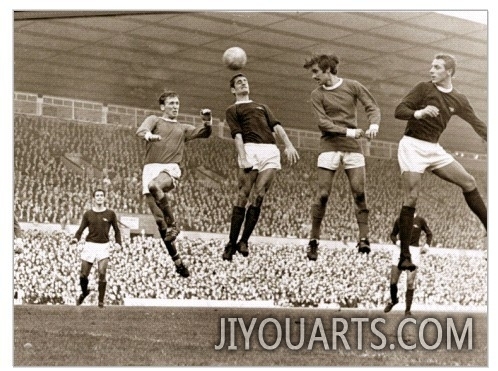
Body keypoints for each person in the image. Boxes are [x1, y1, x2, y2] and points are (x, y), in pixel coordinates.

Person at [394, 53, 487, 272]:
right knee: (412, 197)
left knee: (469, 181)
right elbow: (399, 111)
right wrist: (420, 112)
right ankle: (404, 256)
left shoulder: (459, 99)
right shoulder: (423, 89)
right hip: (412, 145)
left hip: (433, 148)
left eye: (436, 67)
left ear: (449, 72)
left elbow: (476, 122)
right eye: (431, 66)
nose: (431, 70)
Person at [302, 54, 381, 260]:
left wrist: (373, 125)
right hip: (329, 145)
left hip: (353, 148)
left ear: (327, 70)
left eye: (316, 72)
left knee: (359, 194)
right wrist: (349, 132)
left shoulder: (352, 86)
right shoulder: (316, 94)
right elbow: (323, 123)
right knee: (323, 195)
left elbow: (371, 106)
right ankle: (313, 241)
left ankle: (364, 239)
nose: (313, 76)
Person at [222, 73, 300, 261]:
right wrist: (243, 157)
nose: (243, 84)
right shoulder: (232, 110)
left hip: (270, 150)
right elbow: (237, 136)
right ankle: (231, 243)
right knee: (243, 195)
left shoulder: (262, 107)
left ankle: (244, 241)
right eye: (239, 83)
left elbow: (277, 126)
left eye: (245, 81)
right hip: (249, 149)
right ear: (233, 90)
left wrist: (288, 144)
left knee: (259, 195)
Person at [136, 90, 212, 277]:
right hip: (149, 169)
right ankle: (177, 261)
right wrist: (149, 136)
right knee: (160, 223)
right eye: (171, 103)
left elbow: (205, 133)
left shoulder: (183, 128)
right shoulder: (155, 120)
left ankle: (174, 224)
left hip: (170, 168)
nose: (175, 106)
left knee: (155, 186)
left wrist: (207, 121)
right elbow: (141, 130)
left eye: (177, 103)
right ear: (163, 106)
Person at [71, 189, 122, 308]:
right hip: (89, 245)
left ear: (104, 198)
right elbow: (80, 230)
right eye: (97, 195)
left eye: (101, 195)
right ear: (94, 198)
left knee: (102, 272)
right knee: (83, 275)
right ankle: (84, 293)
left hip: (104, 246)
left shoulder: (110, 214)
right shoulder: (88, 214)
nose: (99, 197)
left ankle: (100, 301)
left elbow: (117, 230)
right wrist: (75, 239)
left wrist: (118, 243)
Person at [384, 212, 432, 315]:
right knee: (393, 281)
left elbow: (429, 233)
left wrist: (427, 246)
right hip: (400, 249)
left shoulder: (420, 220)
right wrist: (397, 242)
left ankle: (407, 310)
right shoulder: (400, 219)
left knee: (410, 282)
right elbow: (392, 234)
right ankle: (393, 300)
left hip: (414, 251)